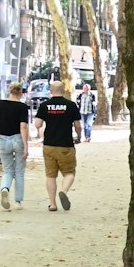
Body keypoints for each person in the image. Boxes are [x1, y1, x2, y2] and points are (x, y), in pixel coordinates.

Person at [35, 80, 82, 212]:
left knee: (50, 176)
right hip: (65, 145)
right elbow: (78, 125)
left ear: (51, 91)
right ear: (63, 90)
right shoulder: (71, 105)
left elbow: (38, 124)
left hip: (49, 145)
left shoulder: (45, 105)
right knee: (69, 173)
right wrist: (79, 136)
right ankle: (64, 191)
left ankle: (53, 204)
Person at [0, 84, 32, 210]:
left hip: (3, 139)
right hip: (17, 139)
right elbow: (23, 127)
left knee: (8, 170)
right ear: (20, 92)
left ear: (9, 90)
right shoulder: (22, 107)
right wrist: (26, 146)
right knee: (19, 172)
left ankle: (4, 188)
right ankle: (18, 201)